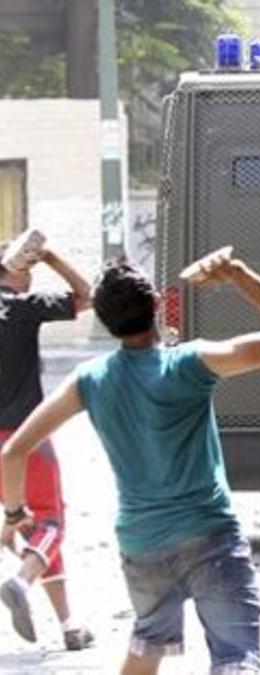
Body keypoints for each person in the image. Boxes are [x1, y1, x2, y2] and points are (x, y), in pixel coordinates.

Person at [1, 249, 260, 673]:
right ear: (155, 306)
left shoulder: (90, 380)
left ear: (105, 321)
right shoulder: (191, 362)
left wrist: (16, 512)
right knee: (236, 656)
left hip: (142, 544)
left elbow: (14, 452)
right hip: (211, 535)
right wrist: (239, 274)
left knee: (149, 644)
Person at [0, 241, 95, 650]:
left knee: (33, 527)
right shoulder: (23, 307)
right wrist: (53, 256)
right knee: (51, 521)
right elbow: (88, 295)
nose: (31, 275)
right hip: (23, 436)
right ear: (12, 270)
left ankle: (70, 625)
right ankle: (20, 581)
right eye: (28, 267)